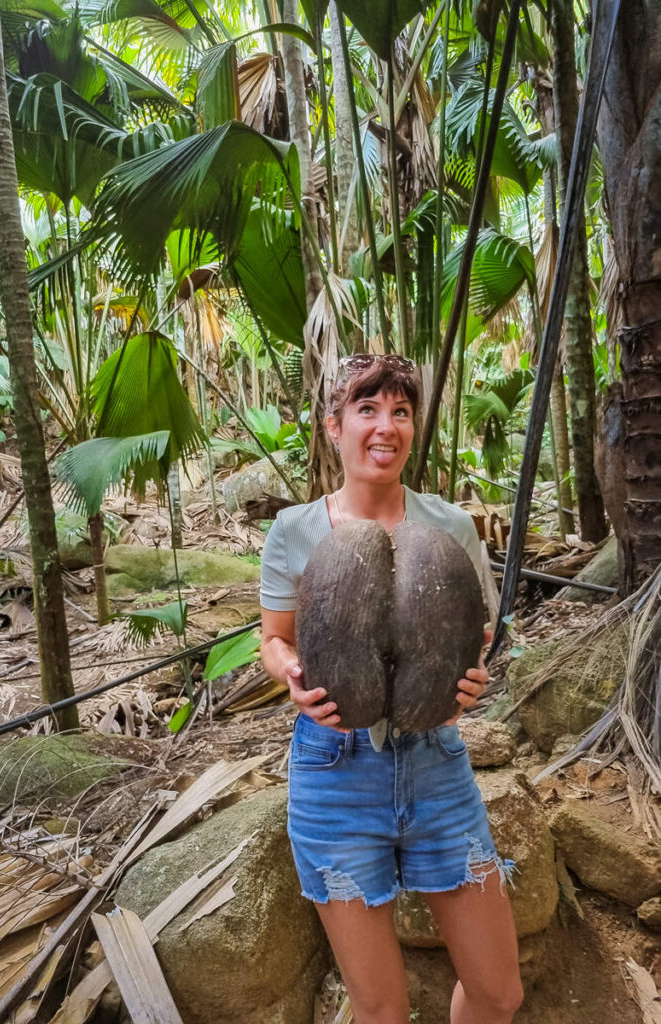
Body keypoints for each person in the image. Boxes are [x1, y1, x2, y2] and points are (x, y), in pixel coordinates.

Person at [259, 354, 523, 1024]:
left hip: (436, 765)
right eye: (368, 410)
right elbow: (274, 638)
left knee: (499, 993)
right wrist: (289, 674)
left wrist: (471, 676)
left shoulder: (451, 528)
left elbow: (476, 636)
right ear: (334, 427)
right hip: (334, 771)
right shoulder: (294, 530)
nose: (386, 427)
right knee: (380, 1011)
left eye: (400, 411)